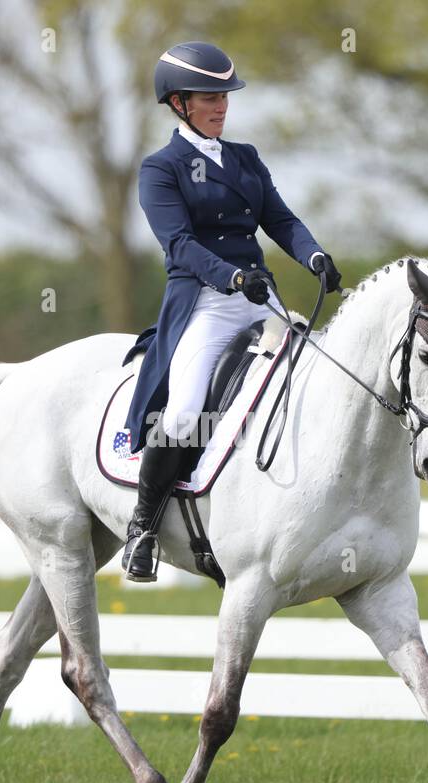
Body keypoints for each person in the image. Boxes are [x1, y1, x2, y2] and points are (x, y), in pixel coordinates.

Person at [119, 40, 343, 582]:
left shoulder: (245, 158)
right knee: (182, 412)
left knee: (319, 380)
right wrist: (232, 275)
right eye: (208, 97)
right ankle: (142, 529)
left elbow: (281, 219)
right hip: (207, 302)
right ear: (178, 104)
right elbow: (179, 245)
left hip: (260, 299)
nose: (221, 107)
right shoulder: (160, 168)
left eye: (225, 97)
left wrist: (312, 253)